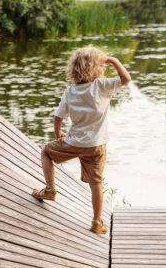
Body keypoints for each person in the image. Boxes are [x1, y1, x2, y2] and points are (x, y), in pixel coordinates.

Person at [33, 46, 130, 235]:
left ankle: (50, 189)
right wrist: (113, 60)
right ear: (94, 69)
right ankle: (96, 221)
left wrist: (58, 133)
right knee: (96, 184)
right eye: (102, 66)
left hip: (74, 143)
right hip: (97, 146)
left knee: (46, 152)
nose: (105, 69)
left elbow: (58, 115)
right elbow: (126, 79)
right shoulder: (101, 86)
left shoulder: (70, 91)